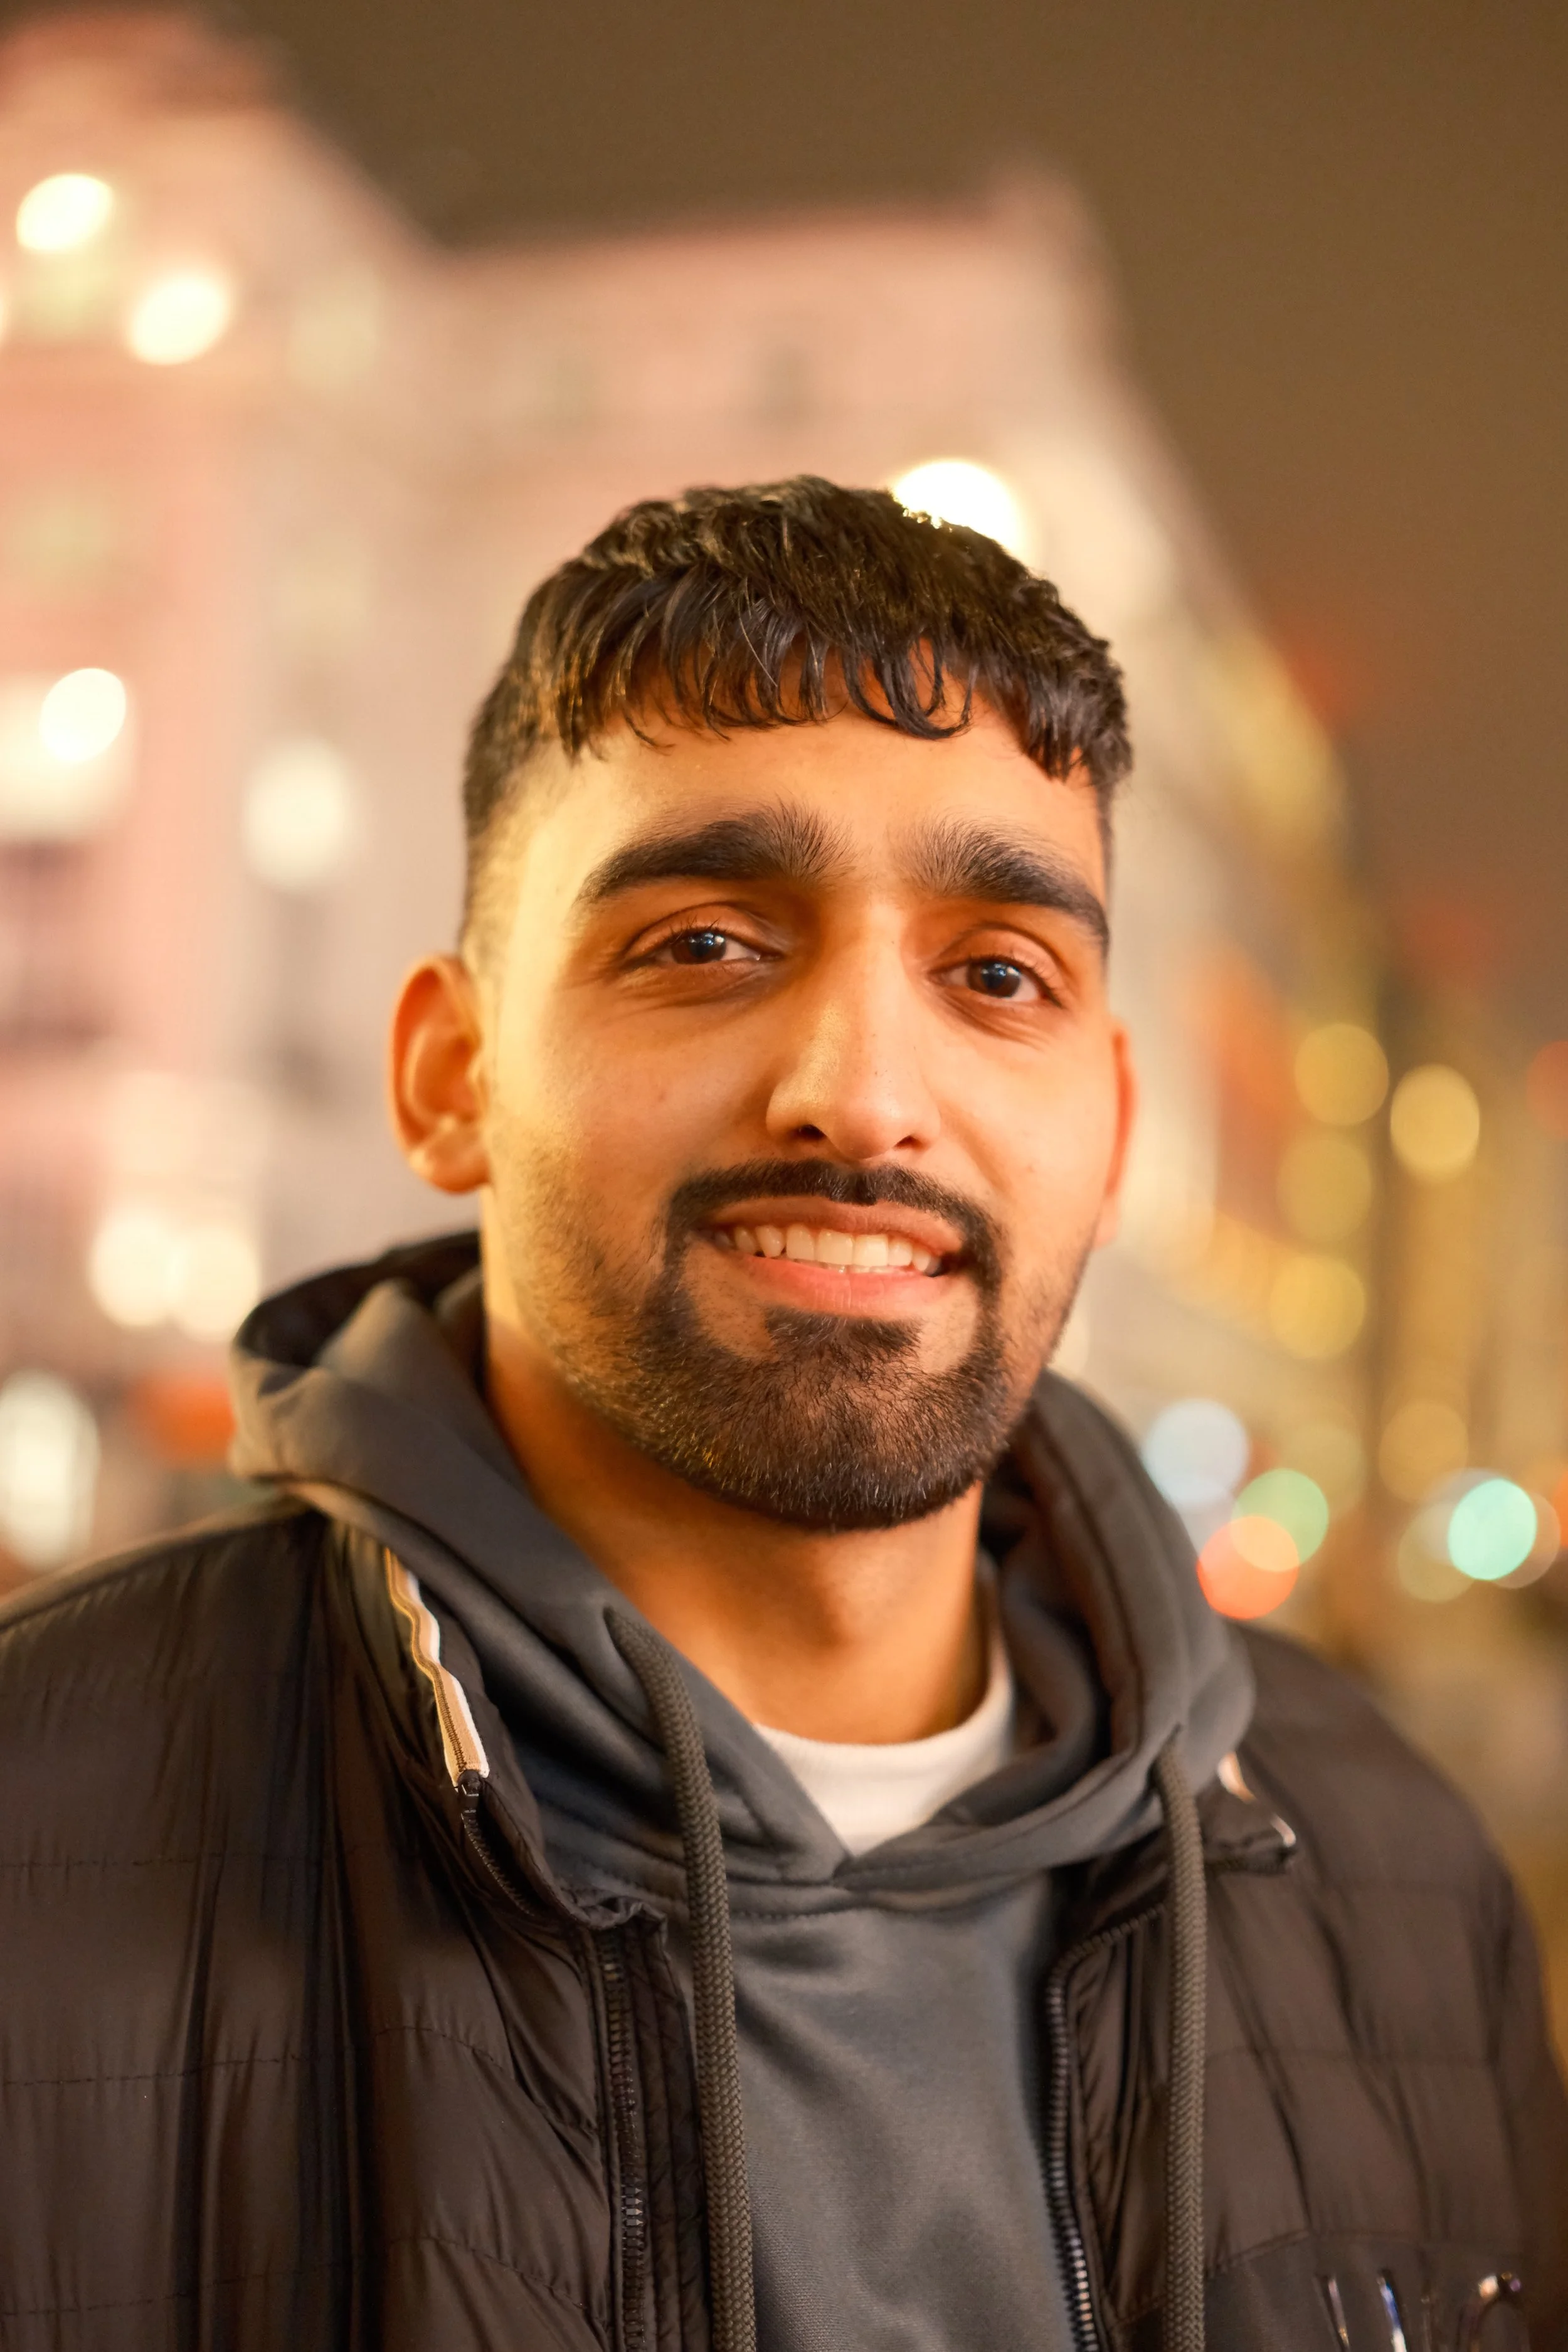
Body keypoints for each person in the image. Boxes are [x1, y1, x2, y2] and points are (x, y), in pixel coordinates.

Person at [1, 478, 1563, 2352]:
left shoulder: (1392, 1862)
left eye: (996, 975)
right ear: (452, 1075)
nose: (863, 1093)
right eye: (708, 945)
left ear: (1114, 1130)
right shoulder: (39, 1819)